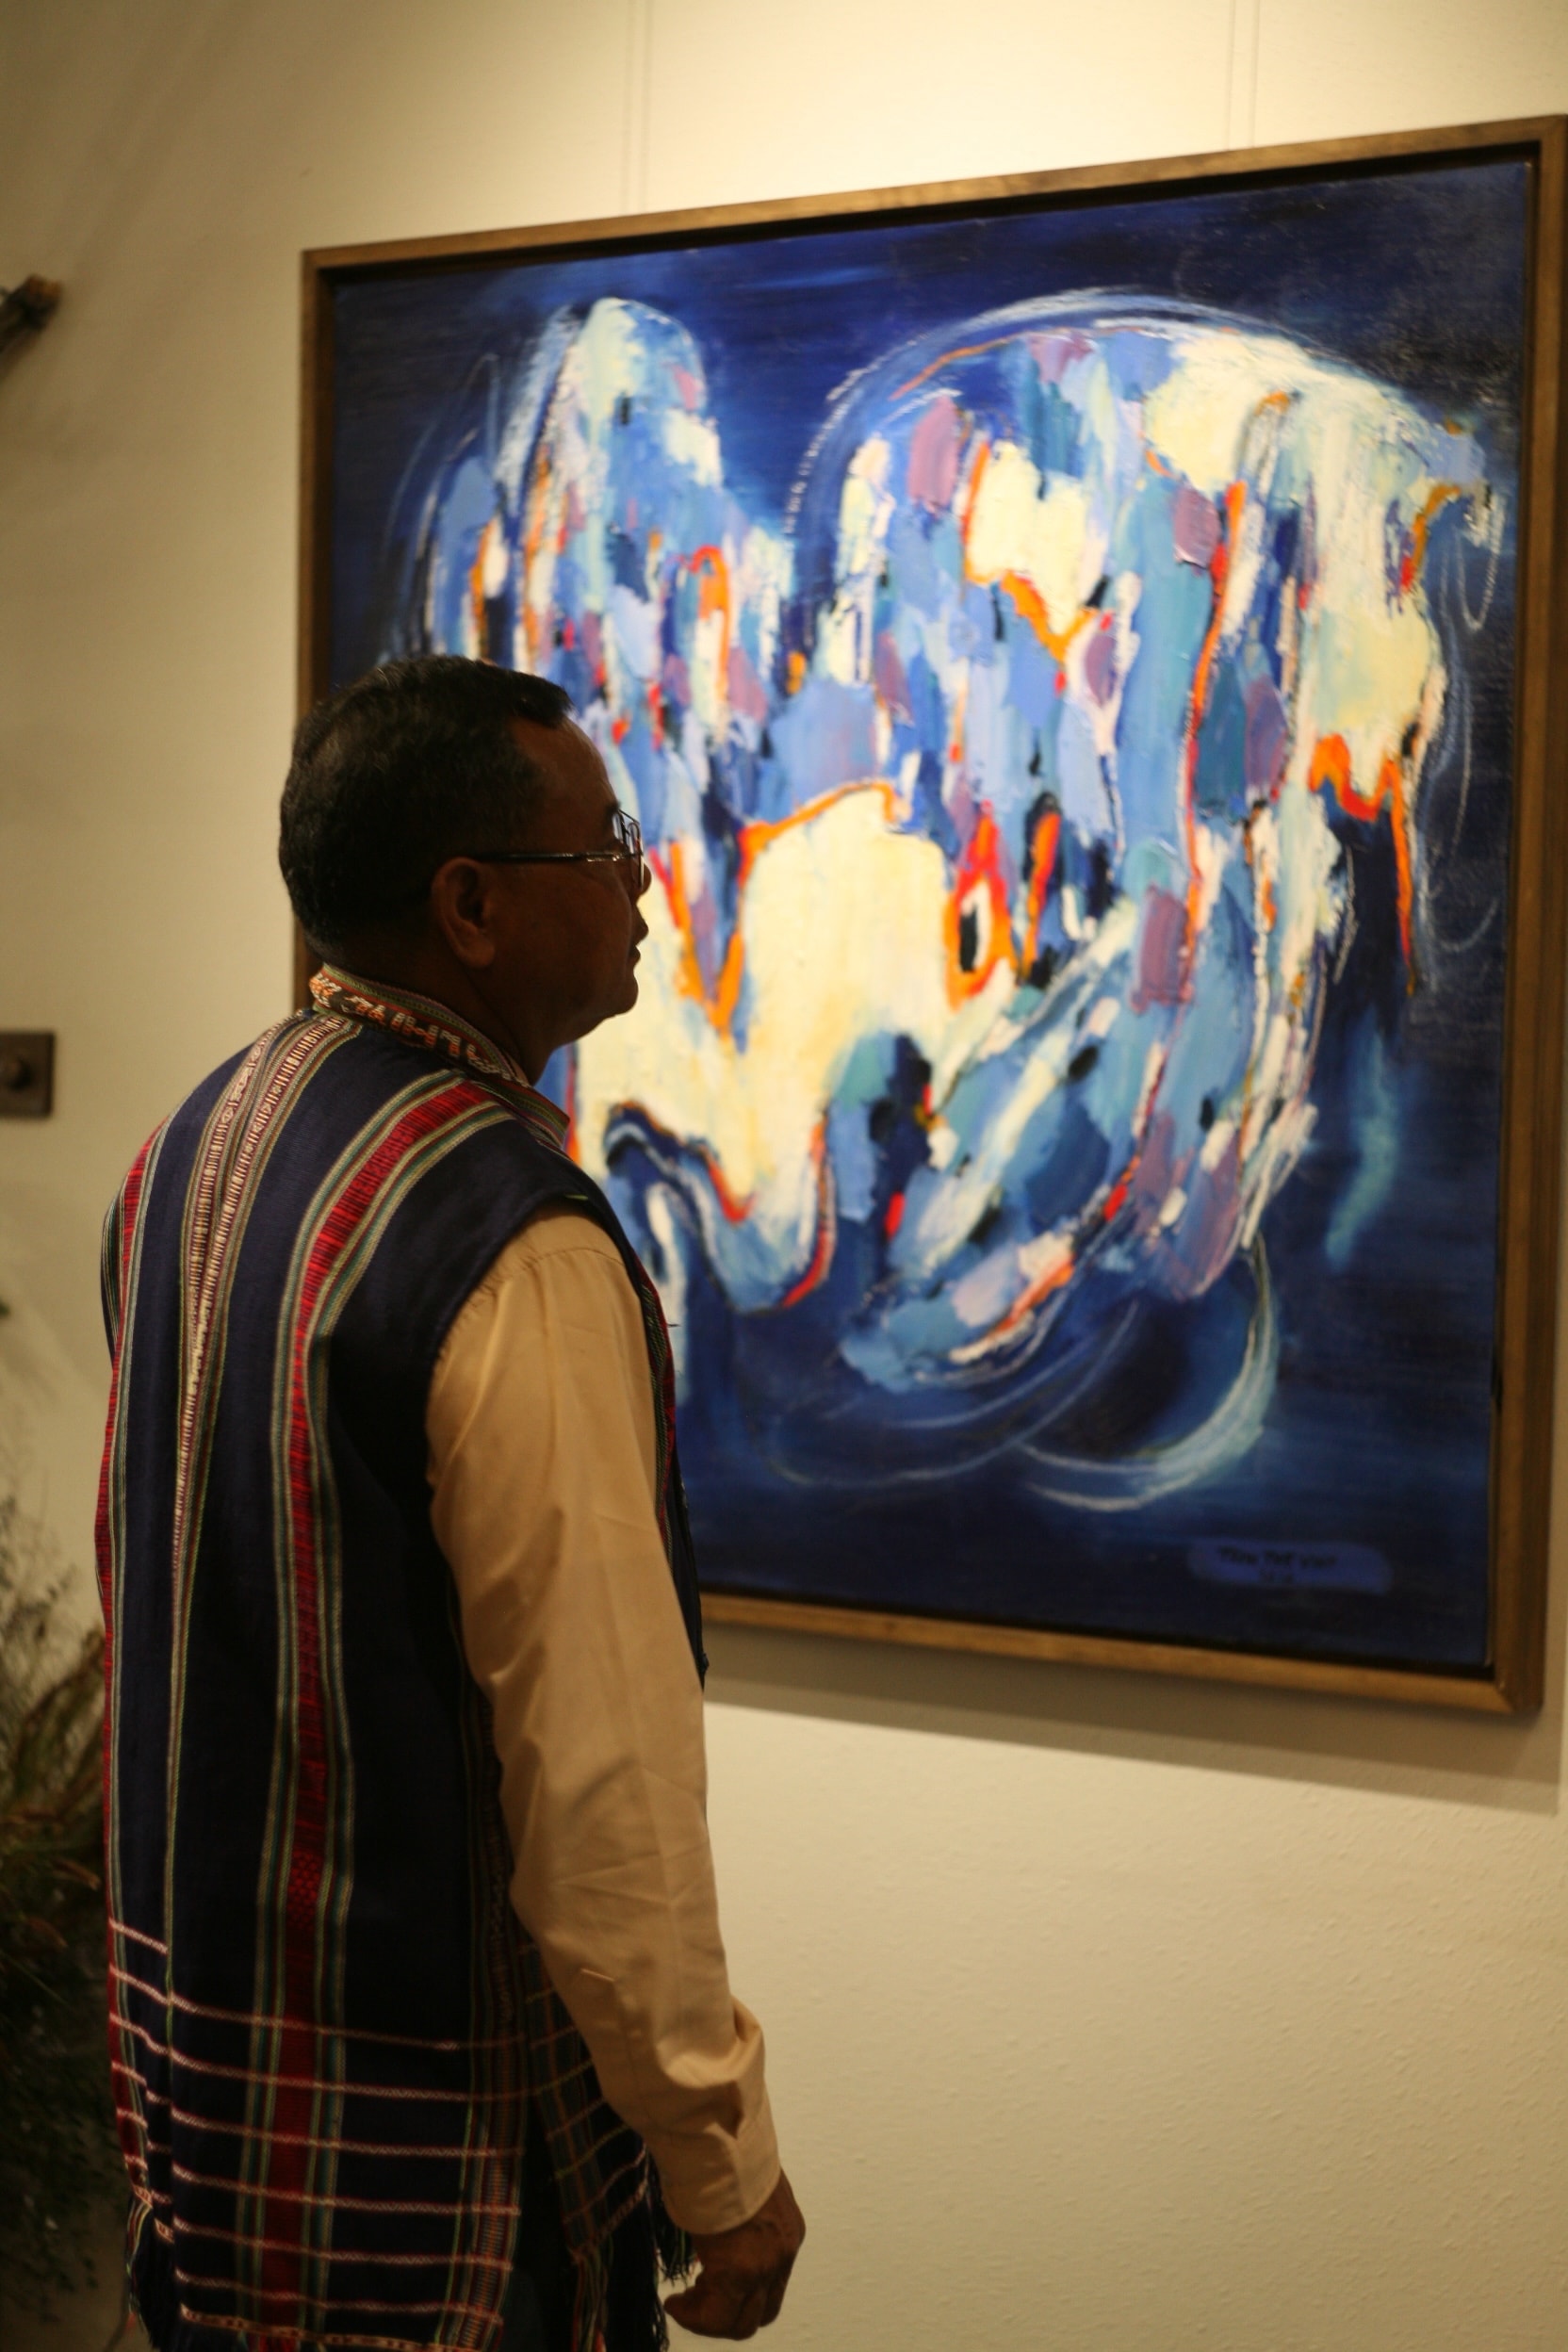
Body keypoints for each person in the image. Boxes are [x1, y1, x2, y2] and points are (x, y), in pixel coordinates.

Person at [96, 656, 804, 2352]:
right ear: (470, 906)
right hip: (431, 2195)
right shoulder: (507, 1236)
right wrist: (718, 2158)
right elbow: (601, 1773)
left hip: (205, 2136)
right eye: (606, 848)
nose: (643, 884)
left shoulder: (195, 1141)